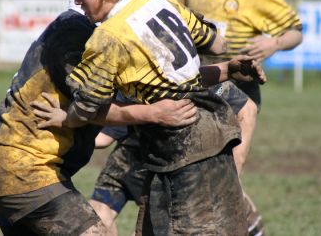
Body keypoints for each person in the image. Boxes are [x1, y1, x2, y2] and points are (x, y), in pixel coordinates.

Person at [34, 0, 266, 234]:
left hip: (184, 154)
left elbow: (89, 109)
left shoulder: (108, 37)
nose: (76, 0)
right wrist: (227, 68)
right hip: (209, 139)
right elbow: (216, 44)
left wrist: (66, 117)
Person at [0, 5, 199, 236]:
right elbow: (89, 106)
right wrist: (154, 113)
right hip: (23, 168)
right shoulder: (77, 35)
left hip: (13, 167)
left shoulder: (88, 33)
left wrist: (224, 70)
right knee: (94, 232)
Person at [169, 0, 303, 234]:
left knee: (225, 173)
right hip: (197, 84)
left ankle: (246, 228)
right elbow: (167, 8)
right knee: (203, 170)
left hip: (237, 90)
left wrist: (274, 43)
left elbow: (295, 32)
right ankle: (250, 228)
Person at [89, 82, 256, 236]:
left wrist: (235, 171)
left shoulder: (188, 76)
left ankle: (251, 220)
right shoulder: (130, 75)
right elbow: (103, 138)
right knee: (99, 210)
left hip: (186, 162)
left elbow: (247, 108)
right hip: (137, 152)